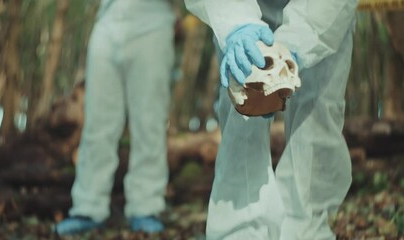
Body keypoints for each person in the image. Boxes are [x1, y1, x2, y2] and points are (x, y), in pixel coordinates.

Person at [185, 0, 359, 239]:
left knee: (318, 113)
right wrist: (236, 25)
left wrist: (295, 46)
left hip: (322, 11)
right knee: (242, 109)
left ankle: (306, 229)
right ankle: (238, 231)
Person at [55, 0, 175, 235]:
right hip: (108, 19)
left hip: (153, 20)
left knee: (149, 122)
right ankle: (88, 206)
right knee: (97, 122)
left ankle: (146, 206)